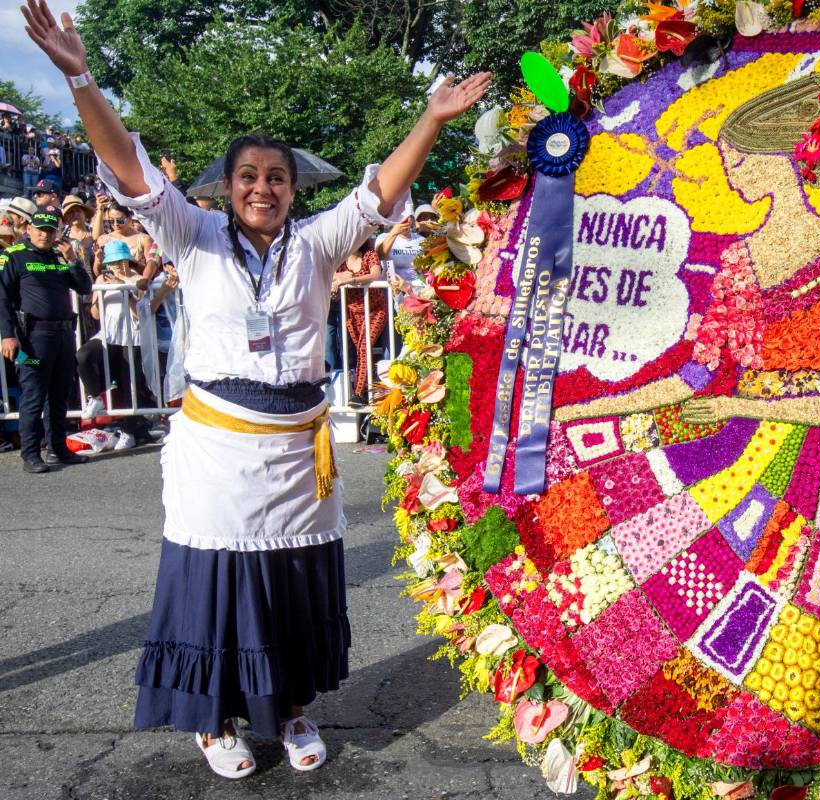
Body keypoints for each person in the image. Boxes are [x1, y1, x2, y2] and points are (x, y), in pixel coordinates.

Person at [22, 0, 491, 778]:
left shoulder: (315, 244)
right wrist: (80, 80)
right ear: (227, 187)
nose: (262, 188)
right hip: (219, 453)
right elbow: (132, 170)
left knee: (292, 587)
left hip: (298, 458)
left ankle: (293, 709)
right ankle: (216, 723)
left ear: (291, 188)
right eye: (248, 176)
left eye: (275, 177)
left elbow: (377, 199)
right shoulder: (192, 235)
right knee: (218, 586)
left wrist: (432, 119)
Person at [0, 204, 92, 473]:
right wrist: (7, 335)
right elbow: (2, 299)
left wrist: (73, 259)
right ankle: (30, 455)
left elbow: (84, 287)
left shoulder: (58, 256)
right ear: (29, 229)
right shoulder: (13, 256)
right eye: (40, 230)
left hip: (63, 334)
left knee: (59, 394)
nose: (45, 235)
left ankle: (58, 449)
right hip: (33, 337)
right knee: (34, 395)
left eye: (50, 231)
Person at [76, 239, 172, 418]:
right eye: (111, 262)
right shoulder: (102, 279)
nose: (116, 266)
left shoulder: (138, 280)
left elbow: (140, 314)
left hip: (132, 336)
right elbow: (96, 315)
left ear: (128, 259)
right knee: (83, 356)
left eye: (120, 261)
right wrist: (99, 292)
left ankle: (131, 430)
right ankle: (95, 397)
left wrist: (125, 290)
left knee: (130, 385)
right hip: (108, 335)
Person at [327, 237, 385, 401]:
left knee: (364, 348)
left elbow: (375, 274)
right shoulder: (339, 260)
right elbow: (325, 274)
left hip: (375, 309)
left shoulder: (369, 254)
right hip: (352, 311)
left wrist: (351, 279)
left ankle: (358, 394)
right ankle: (369, 389)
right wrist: (336, 281)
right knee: (359, 351)